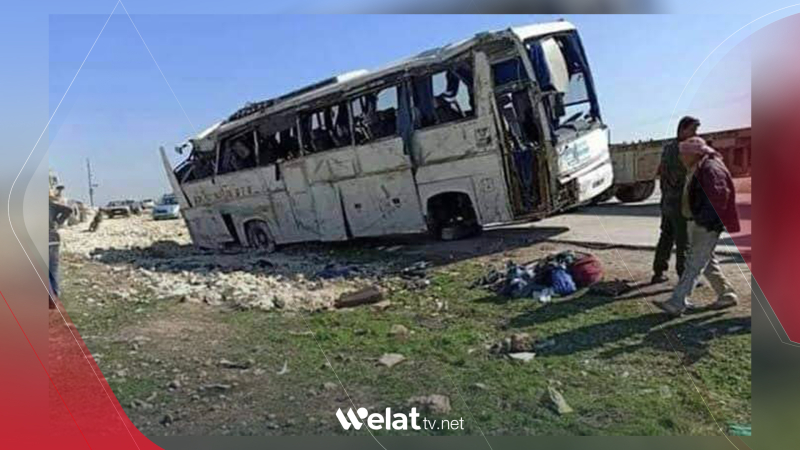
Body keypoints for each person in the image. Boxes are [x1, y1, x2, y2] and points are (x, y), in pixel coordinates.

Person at [655, 136, 740, 316]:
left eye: (684, 154)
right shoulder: (700, 166)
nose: (681, 158)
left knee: (693, 263)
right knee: (707, 262)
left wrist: (703, 220)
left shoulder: (710, 168)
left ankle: (677, 302)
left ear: (694, 154)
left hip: (705, 224)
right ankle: (727, 294)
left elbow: (718, 197)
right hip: (699, 222)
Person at [651, 116, 699, 284]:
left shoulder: (668, 148)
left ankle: (658, 272)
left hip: (667, 201)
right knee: (682, 240)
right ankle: (684, 276)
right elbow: (685, 177)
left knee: (666, 237)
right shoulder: (682, 149)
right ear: (683, 129)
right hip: (679, 202)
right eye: (692, 129)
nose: (695, 133)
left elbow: (662, 174)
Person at [49, 184, 73, 308]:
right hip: (53, 240)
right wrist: (59, 221)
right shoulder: (51, 206)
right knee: (53, 270)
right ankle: (54, 299)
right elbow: (68, 210)